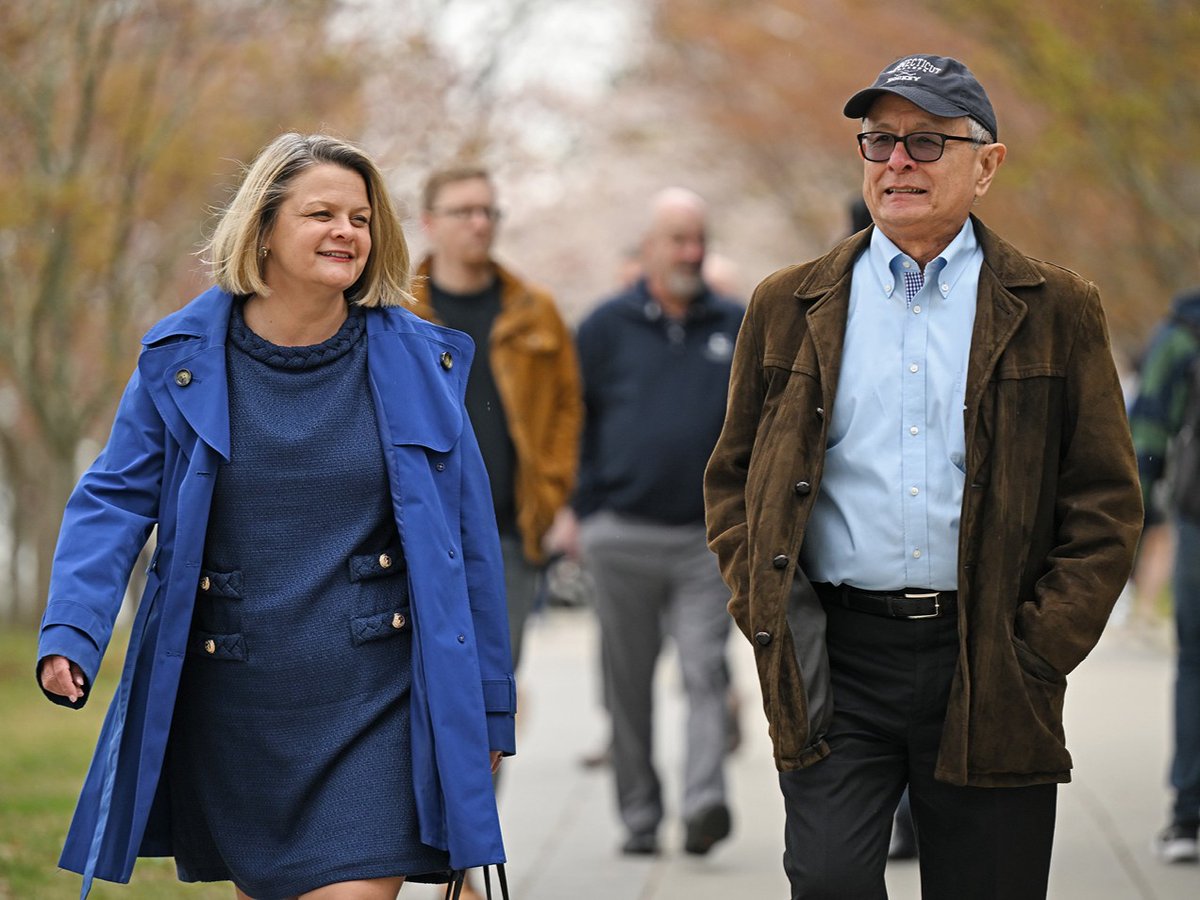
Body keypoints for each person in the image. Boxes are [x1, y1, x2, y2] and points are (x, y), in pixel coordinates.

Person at [704, 55, 1143, 899]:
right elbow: (733, 479)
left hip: (991, 658)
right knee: (829, 881)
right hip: (837, 655)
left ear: (987, 164)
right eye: (878, 142)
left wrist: (1039, 650)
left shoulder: (1056, 306)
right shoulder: (786, 304)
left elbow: (1106, 500)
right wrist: (763, 604)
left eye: (926, 142)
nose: (896, 161)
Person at [35, 132, 515, 899]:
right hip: (239, 701)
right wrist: (73, 629)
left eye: (360, 218)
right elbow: (113, 497)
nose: (347, 233)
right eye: (321, 213)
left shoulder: (421, 364)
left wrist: (489, 703)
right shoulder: (180, 357)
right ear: (261, 230)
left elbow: (468, 545)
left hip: (377, 697)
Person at [565, 187, 744, 857]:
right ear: (648, 247)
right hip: (622, 534)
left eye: (698, 238)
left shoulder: (736, 320)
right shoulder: (604, 326)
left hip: (707, 538)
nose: (691, 251)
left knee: (706, 672)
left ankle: (704, 804)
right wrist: (582, 510)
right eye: (677, 239)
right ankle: (640, 818)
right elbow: (571, 419)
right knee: (628, 684)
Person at [412, 165, 582, 674]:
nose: (479, 223)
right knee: (419, 687)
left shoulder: (534, 310)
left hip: (509, 532)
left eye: (488, 211)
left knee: (493, 690)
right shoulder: (399, 310)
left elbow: (567, 407)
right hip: (420, 532)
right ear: (428, 222)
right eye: (463, 211)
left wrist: (552, 493)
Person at [1130, 285, 1200, 863]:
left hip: (1197, 516)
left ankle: (1187, 817)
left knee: (1196, 662)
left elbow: (1148, 428)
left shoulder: (1182, 331)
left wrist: (1135, 515)